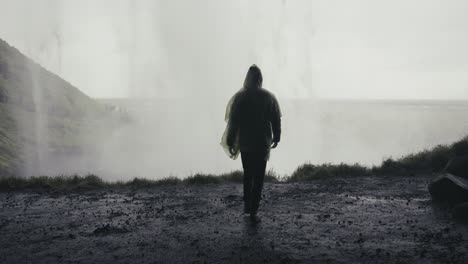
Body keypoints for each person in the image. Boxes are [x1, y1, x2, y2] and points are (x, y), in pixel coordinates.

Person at [221, 64, 282, 219]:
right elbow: (276, 120)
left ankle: (248, 206)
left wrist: (229, 141)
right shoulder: (269, 97)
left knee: (248, 175)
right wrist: (277, 137)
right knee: (259, 176)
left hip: (246, 143)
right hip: (262, 144)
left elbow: (233, 122)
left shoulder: (240, 97)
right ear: (260, 79)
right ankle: (254, 208)